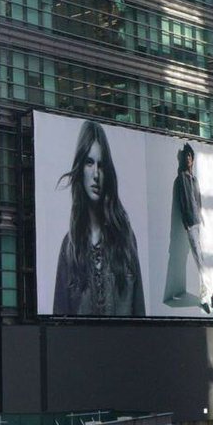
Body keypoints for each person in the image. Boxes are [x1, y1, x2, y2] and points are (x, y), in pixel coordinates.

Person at [53, 120, 145, 316]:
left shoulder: (126, 239)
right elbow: (58, 324)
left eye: (101, 165)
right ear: (80, 169)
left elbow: (140, 315)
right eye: (89, 162)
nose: (96, 174)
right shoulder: (69, 248)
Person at [164, 143, 213, 311]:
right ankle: (206, 296)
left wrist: (202, 218)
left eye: (190, 156)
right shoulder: (181, 179)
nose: (188, 159)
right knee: (199, 261)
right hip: (191, 224)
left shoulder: (194, 179)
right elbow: (183, 203)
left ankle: (209, 290)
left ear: (193, 158)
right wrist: (187, 223)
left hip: (199, 222)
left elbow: (197, 201)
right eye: (186, 156)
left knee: (203, 259)